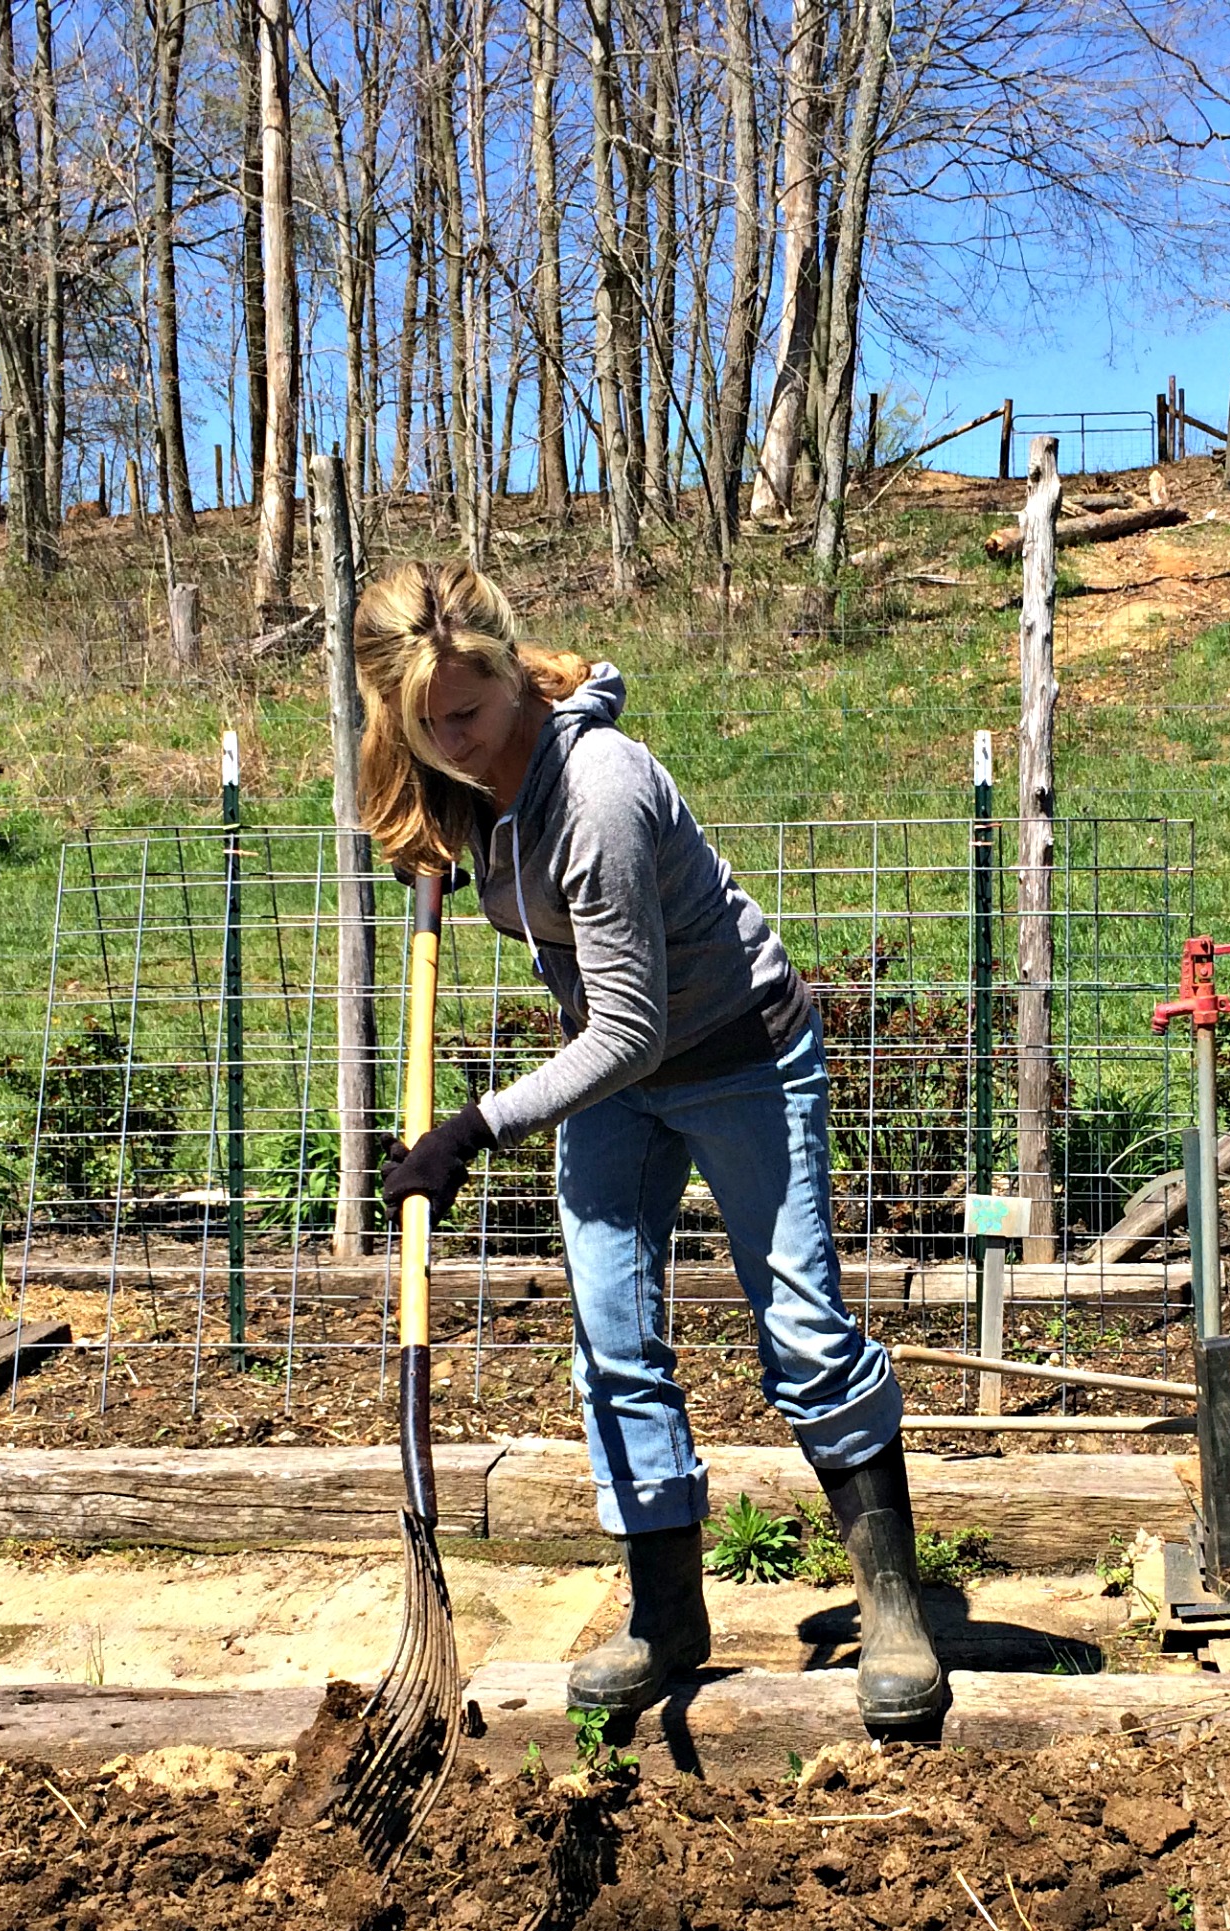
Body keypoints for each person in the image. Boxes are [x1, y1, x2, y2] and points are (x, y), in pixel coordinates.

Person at [358, 560, 945, 1734]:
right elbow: (605, 1028)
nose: (453, 744)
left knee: (801, 1333)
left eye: (466, 716)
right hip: (616, 1080)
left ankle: (894, 1607)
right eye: (425, 728)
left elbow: (633, 1028)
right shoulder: (455, 772)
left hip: (734, 1056)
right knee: (613, 1342)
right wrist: (434, 822)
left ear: (512, 674)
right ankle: (666, 1616)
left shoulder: (601, 789)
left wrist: (472, 1130)